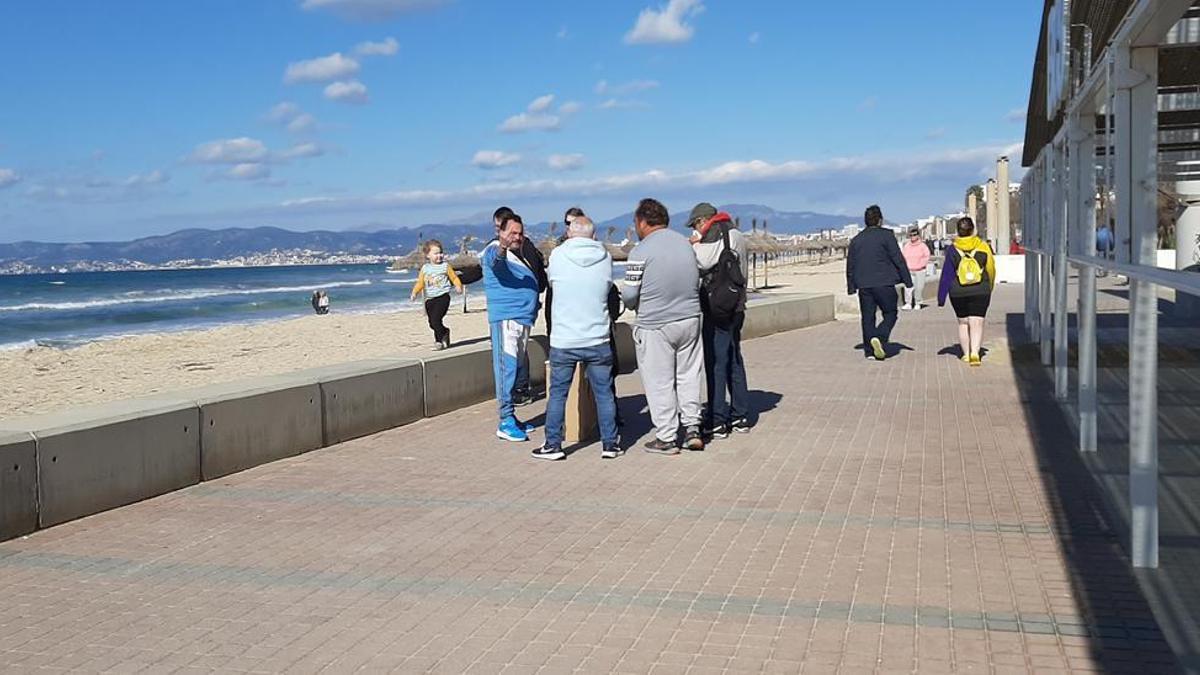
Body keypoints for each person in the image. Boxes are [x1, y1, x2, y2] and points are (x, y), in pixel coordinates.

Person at [533, 216, 622, 461]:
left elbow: (553, 283)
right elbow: (607, 287)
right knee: (604, 393)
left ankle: (553, 444)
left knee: (558, 394)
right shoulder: (605, 257)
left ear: (570, 234)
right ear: (593, 235)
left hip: (565, 338)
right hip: (598, 337)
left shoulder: (558, 256)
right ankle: (610, 444)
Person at [621, 198, 705, 454]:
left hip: (655, 323)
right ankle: (692, 427)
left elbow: (629, 295)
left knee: (660, 380)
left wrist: (634, 304)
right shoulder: (685, 245)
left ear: (642, 222)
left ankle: (667, 437)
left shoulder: (640, 251)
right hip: (690, 318)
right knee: (689, 375)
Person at [688, 202, 750, 439]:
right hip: (737, 304)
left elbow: (702, 262)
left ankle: (717, 419)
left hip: (717, 308)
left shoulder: (714, 234)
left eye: (695, 225)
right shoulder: (737, 233)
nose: (695, 230)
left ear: (702, 221)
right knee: (734, 358)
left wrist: (694, 244)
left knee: (716, 361)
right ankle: (740, 415)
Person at [483, 211, 540, 441]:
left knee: (515, 369)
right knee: (505, 369)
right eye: (512, 233)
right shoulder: (493, 250)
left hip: (522, 320)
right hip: (506, 319)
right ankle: (505, 420)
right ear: (500, 232)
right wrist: (502, 247)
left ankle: (512, 416)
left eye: (520, 233)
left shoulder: (519, 254)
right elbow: (496, 263)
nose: (517, 237)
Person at [493, 207, 547, 407]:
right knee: (513, 357)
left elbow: (537, 276)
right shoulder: (497, 249)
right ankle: (511, 405)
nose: (497, 231)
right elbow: (493, 265)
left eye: (519, 232)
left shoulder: (525, 248)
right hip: (515, 313)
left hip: (523, 312)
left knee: (518, 354)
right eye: (497, 228)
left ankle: (520, 390)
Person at [846, 205, 913, 360]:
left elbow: (851, 264)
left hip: (864, 285)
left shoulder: (856, 240)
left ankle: (869, 351)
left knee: (867, 317)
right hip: (884, 282)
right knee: (890, 313)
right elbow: (898, 259)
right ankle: (880, 337)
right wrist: (908, 281)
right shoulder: (886, 235)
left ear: (865, 221)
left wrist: (851, 286)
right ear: (880, 220)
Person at [937, 217, 996, 366]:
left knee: (963, 322)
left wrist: (941, 297)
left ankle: (966, 354)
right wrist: (990, 286)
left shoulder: (952, 249)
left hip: (958, 291)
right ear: (973, 230)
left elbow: (947, 275)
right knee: (977, 322)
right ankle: (975, 353)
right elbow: (990, 268)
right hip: (980, 289)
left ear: (958, 231)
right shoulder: (983, 246)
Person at [409, 239, 463, 350]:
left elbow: (454, 277)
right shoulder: (425, 268)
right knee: (432, 323)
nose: (439, 256)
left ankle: (438, 341)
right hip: (430, 299)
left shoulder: (445, 266)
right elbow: (420, 283)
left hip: (443, 297)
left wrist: (458, 286)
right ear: (428, 255)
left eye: (440, 253)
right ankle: (445, 331)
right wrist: (414, 292)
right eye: (436, 253)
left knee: (436, 320)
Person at [900, 226, 931, 310]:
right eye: (911, 235)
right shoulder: (907, 246)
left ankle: (918, 302)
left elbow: (927, 256)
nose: (913, 236)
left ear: (918, 235)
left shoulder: (923, 246)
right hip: (909, 270)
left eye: (914, 235)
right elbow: (902, 257)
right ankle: (908, 303)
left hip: (920, 270)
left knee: (919, 287)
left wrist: (921, 264)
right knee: (908, 287)